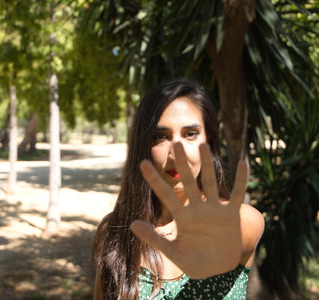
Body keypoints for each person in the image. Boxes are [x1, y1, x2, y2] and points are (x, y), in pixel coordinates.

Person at [92, 78, 264, 299]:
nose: (176, 153)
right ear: (144, 146)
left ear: (209, 143)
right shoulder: (115, 231)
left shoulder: (242, 219)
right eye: (161, 137)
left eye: (190, 134)